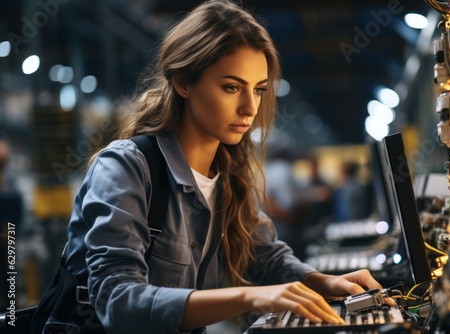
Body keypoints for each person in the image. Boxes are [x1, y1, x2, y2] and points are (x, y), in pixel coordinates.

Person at [61, 1, 394, 333]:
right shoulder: (125, 167)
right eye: (232, 87)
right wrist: (248, 297)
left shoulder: (228, 174)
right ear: (183, 83)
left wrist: (325, 282)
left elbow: (265, 257)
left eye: (259, 90)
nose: (250, 108)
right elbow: (118, 303)